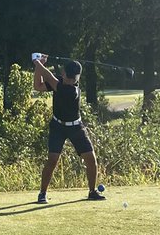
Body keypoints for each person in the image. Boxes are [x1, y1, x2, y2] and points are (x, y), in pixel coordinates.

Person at [32, 56, 106, 204]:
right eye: (67, 76)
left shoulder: (69, 90)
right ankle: (42, 193)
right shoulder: (60, 81)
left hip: (75, 127)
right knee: (52, 160)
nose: (68, 79)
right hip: (57, 126)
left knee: (91, 159)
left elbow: (48, 75)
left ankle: (92, 192)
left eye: (70, 77)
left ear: (72, 77)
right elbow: (38, 86)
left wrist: (37, 61)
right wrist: (38, 67)